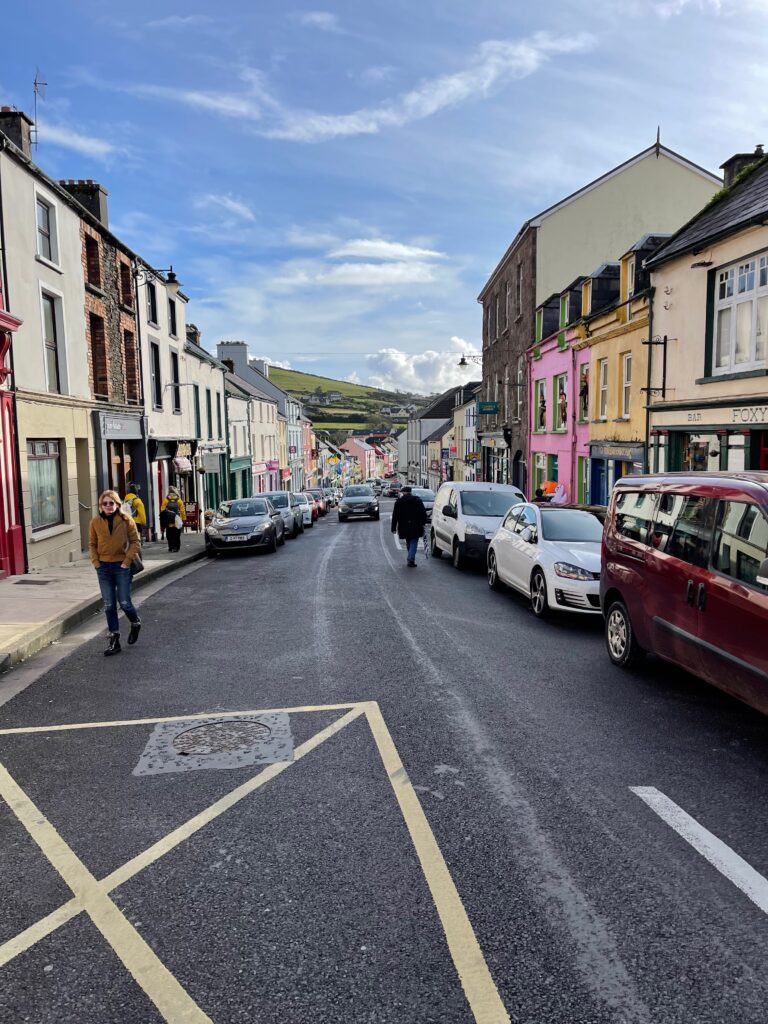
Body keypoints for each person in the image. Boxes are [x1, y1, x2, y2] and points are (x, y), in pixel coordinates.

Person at [89, 490, 142, 656]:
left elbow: (135, 542)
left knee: (125, 602)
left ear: (117, 505)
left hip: (121, 566)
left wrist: (126, 562)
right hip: (103, 568)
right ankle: (114, 639)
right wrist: (96, 562)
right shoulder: (95, 522)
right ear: (100, 506)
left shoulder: (126, 520)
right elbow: (92, 544)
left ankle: (135, 622)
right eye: (104, 504)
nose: (108, 506)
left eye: (111, 503)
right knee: (109, 604)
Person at [391, 485, 427, 568]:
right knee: (414, 541)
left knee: (408, 541)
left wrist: (393, 528)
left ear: (403, 493)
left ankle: (411, 559)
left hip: (404, 526)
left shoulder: (399, 502)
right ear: (410, 492)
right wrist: (423, 523)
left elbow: (395, 516)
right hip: (416, 525)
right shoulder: (417, 500)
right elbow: (423, 513)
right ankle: (411, 559)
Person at [160, 486, 186, 552]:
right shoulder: (179, 501)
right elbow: (182, 511)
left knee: (169, 535)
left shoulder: (166, 500)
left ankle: (170, 547)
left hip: (169, 522)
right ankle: (176, 547)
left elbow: (162, 510)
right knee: (177, 535)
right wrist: (184, 519)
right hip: (177, 521)